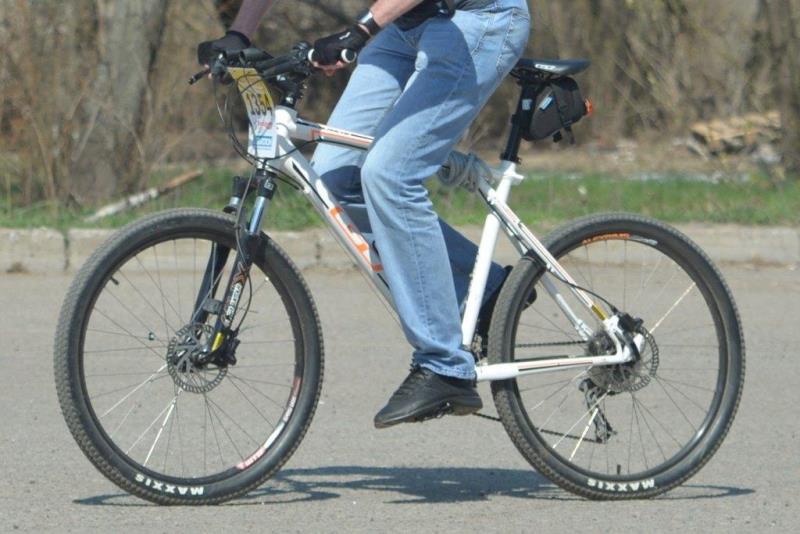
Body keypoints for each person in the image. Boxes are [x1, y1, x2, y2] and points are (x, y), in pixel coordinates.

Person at [199, 0, 531, 428]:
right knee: (332, 178)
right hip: (405, 27)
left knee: (391, 174)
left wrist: (363, 28)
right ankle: (484, 288)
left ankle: (445, 366)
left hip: (477, 21)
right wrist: (239, 35)